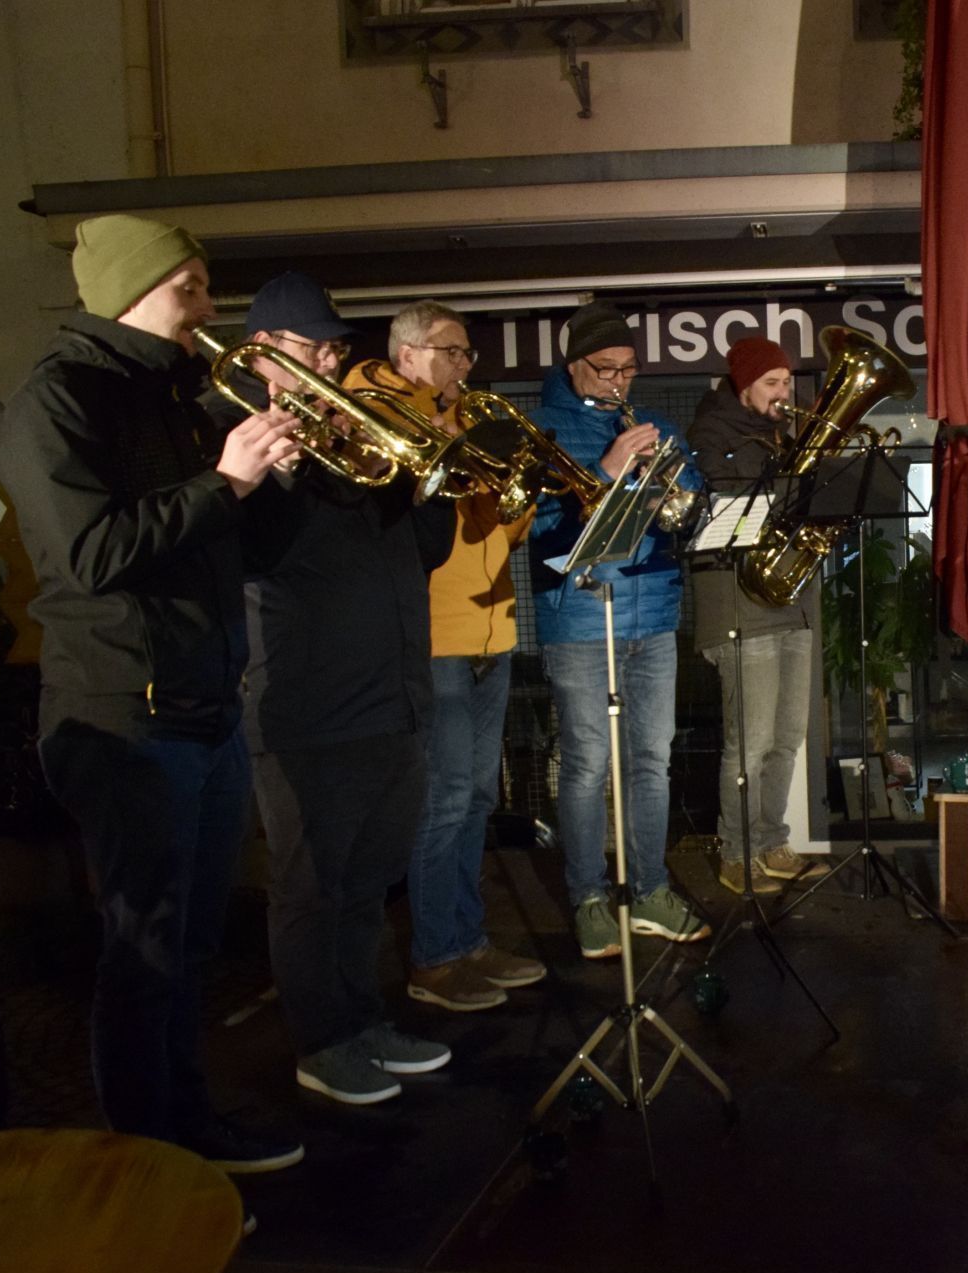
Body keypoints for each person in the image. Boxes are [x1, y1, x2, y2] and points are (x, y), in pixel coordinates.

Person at [0, 214, 305, 1169]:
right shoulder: (57, 400)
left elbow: (246, 549)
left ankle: (189, 1124)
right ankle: (147, 1160)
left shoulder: (184, 394)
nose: (208, 311)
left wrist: (277, 481)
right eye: (192, 289)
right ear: (136, 289)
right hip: (124, 714)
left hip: (202, 703)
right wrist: (224, 480)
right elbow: (87, 557)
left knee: (194, 946)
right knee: (144, 953)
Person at [220, 280, 460, 1106]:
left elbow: (421, 553)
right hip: (310, 709)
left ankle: (363, 1022)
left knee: (367, 881)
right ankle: (320, 1042)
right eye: (315, 349)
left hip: (393, 697)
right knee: (310, 887)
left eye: (333, 348)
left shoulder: (358, 434)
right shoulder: (247, 439)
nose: (333, 362)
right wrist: (276, 473)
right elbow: (245, 552)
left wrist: (430, 472)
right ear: (268, 351)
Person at [346, 300, 548, 1013]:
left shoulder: (464, 421)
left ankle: (467, 940)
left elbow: (499, 535)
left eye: (467, 354)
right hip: (438, 639)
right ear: (407, 354)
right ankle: (434, 958)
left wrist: (517, 489)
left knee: (479, 799)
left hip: (493, 633)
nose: (466, 366)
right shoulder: (389, 413)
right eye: (452, 352)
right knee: (444, 803)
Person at [529, 302, 710, 954]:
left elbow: (692, 505)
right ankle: (588, 896)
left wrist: (672, 499)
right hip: (579, 618)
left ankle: (651, 889)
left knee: (651, 762)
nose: (619, 383)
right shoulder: (541, 428)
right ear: (573, 363)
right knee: (584, 765)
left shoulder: (656, 424)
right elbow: (535, 530)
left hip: (654, 614)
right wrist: (606, 473)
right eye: (605, 370)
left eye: (629, 370)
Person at [686, 336, 830, 895]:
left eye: (787, 383)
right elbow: (728, 511)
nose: (783, 393)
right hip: (739, 606)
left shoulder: (782, 436)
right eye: (771, 383)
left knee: (788, 734)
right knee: (748, 742)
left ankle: (772, 842)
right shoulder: (710, 436)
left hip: (793, 605)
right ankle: (737, 851)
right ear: (743, 386)